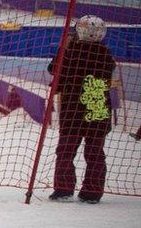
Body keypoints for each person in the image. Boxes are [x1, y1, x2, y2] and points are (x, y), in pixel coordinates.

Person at [47, 15, 116, 204]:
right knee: (95, 153)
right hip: (98, 110)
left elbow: (53, 68)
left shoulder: (71, 53)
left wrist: (66, 46)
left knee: (66, 151)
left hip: (73, 111)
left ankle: (63, 189)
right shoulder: (106, 55)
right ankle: (92, 192)